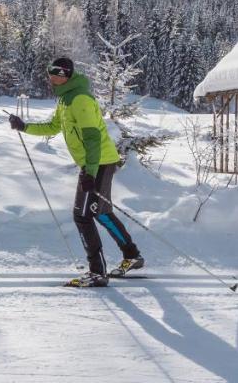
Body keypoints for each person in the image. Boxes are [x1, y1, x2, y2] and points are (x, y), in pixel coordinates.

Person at [9, 57, 143, 287]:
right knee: (100, 213)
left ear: (67, 75)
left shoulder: (79, 98)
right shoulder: (65, 98)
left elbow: (92, 138)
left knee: (82, 216)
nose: (51, 77)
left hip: (98, 162)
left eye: (56, 73)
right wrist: (25, 126)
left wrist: (89, 172)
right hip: (95, 163)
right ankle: (131, 255)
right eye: (50, 72)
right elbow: (53, 126)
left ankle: (97, 272)